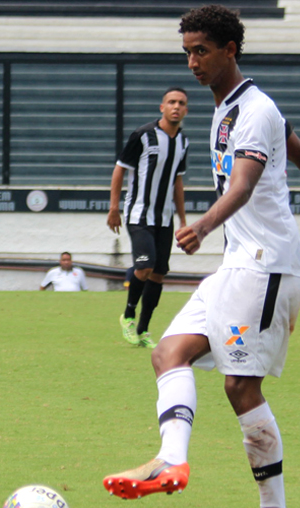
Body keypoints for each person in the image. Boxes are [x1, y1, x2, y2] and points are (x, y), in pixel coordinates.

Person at [102, 5, 300, 508]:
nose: (192, 62)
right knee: (169, 353)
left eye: (201, 50)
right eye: (187, 52)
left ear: (230, 49)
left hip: (267, 265)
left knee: (240, 385)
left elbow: (245, 186)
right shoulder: (228, 107)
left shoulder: (255, 110)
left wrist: (203, 225)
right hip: (238, 264)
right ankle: (171, 460)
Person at [108, 87, 190, 348]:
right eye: (171, 102)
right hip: (139, 215)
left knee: (158, 274)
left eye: (181, 103)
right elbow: (120, 169)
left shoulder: (183, 142)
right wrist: (114, 208)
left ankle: (143, 330)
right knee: (144, 267)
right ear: (162, 107)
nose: (176, 107)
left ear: (186, 110)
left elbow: (177, 181)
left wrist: (183, 221)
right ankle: (128, 316)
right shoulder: (143, 135)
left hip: (164, 219)